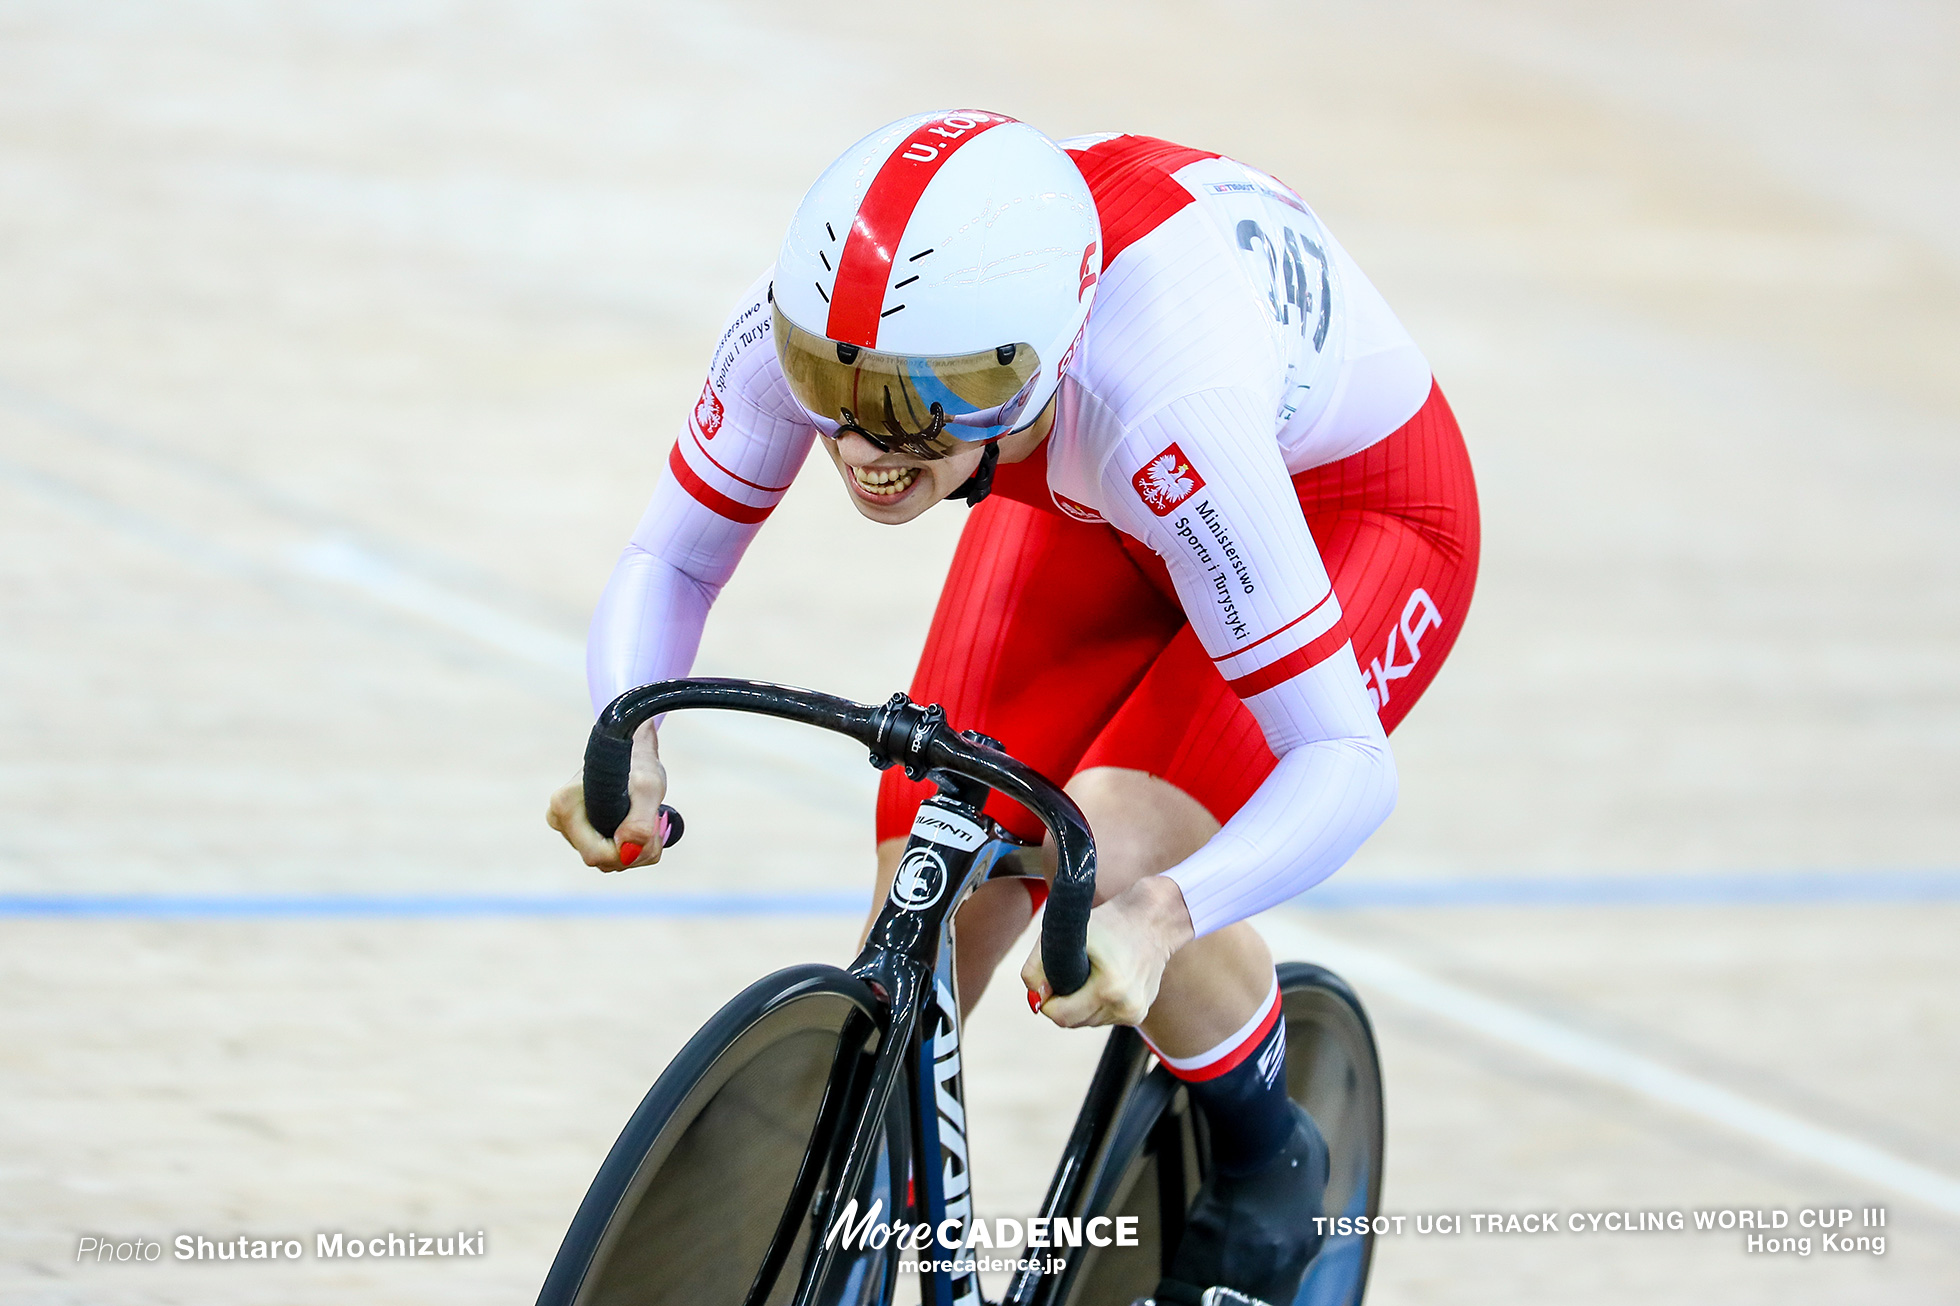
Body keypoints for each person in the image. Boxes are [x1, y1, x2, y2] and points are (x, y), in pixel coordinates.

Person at [548, 109, 1479, 1306]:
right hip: (1100, 497)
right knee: (933, 849)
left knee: (1100, 839)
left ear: (1033, 358)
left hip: (1343, 510)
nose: (865, 446)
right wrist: (634, 742)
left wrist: (1156, 920)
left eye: (921, 402)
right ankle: (876, 1242)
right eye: (836, 389)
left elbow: (1344, 760)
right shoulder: (831, 326)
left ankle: (1266, 1146)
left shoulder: (1156, 405)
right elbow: (673, 562)